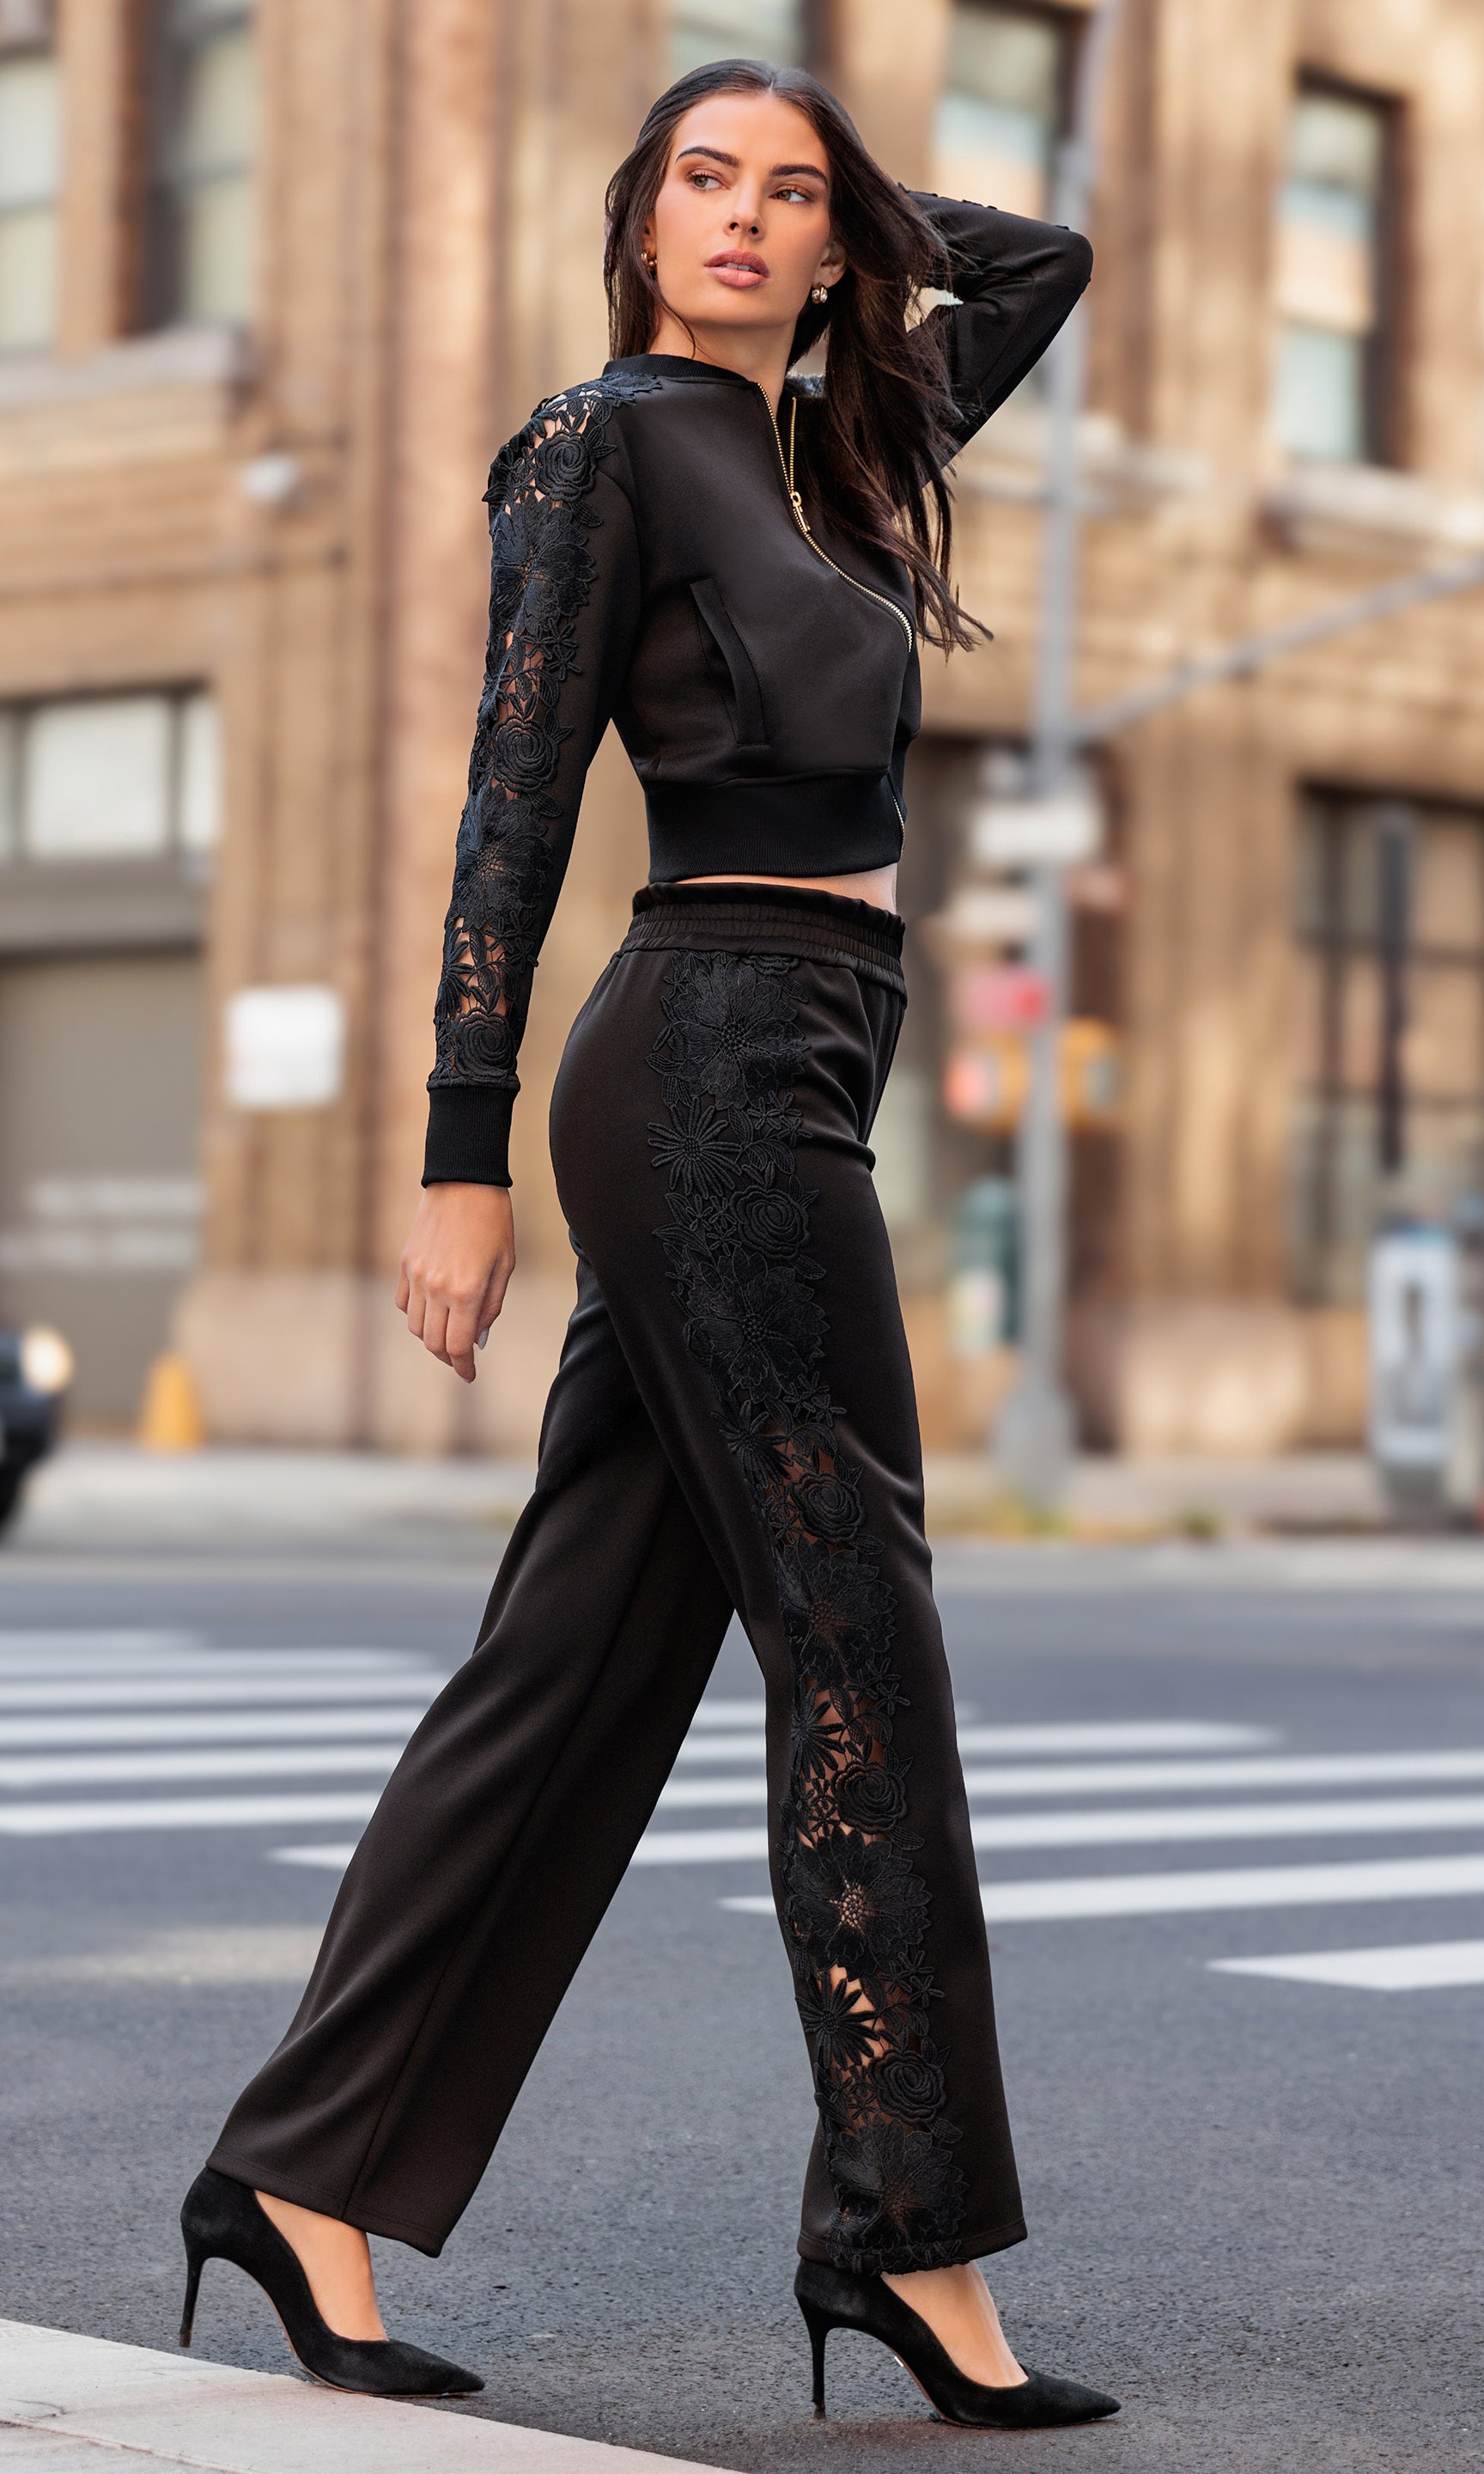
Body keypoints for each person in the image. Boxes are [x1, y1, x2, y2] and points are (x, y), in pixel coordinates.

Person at [178, 58, 1117, 2431]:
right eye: (705, 178)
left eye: (789, 198)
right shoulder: (604, 445)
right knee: (860, 1635)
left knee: (577, 1660)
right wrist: (457, 1152)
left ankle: (297, 2178)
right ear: (636, 217)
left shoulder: (836, 462)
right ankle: (908, 2244)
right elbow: (512, 800)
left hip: (822, 1042)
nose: (746, 219)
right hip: (700, 1058)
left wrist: (857, 211)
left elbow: (1038, 269)